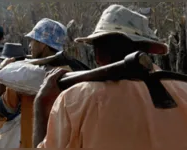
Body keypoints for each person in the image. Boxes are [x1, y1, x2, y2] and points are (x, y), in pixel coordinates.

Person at [33, 4, 187, 149]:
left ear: (98, 54)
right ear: (147, 49)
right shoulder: (183, 91)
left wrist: (41, 106)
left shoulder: (75, 100)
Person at [0, 18, 71, 148]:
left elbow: (2, 109)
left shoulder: (24, 75)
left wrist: (2, 71)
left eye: (33, 41)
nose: (29, 46)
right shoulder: (72, 72)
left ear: (43, 44)